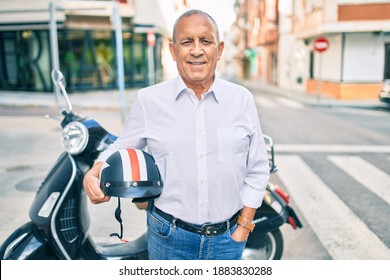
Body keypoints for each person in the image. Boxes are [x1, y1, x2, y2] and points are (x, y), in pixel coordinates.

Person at [83, 9, 270, 260]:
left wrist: (244, 226)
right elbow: (122, 147)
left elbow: (257, 167)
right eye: (186, 42)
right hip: (168, 238)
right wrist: (94, 172)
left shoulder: (241, 100)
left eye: (205, 41)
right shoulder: (149, 100)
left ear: (219, 49)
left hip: (228, 239)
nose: (196, 50)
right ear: (173, 51)